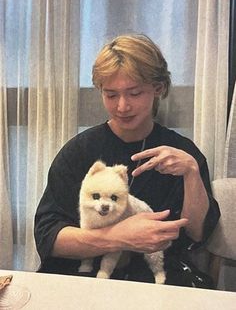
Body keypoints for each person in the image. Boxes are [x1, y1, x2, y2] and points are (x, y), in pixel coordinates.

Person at [34, 34, 220, 287]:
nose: (122, 106)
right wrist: (118, 237)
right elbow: (48, 237)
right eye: (111, 95)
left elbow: (197, 234)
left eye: (134, 93)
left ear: (158, 88)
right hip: (81, 276)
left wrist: (191, 173)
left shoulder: (182, 153)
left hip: (155, 278)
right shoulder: (80, 151)